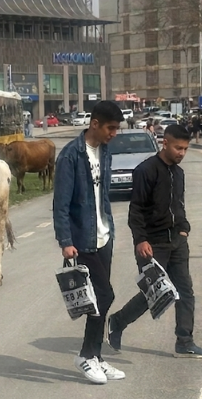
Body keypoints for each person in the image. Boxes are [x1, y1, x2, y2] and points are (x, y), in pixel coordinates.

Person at [108, 124, 202, 359]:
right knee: (154, 294)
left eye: (185, 149)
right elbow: (136, 210)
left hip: (177, 242)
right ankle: (117, 322)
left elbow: (179, 205)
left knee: (185, 291)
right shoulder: (146, 171)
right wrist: (140, 239)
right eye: (178, 148)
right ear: (165, 143)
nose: (181, 153)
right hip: (152, 244)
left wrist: (184, 228)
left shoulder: (179, 173)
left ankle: (185, 341)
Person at [53, 100, 126, 385]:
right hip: (82, 239)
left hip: (104, 235)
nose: (114, 134)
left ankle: (95, 356)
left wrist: (108, 226)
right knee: (104, 295)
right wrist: (65, 240)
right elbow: (61, 203)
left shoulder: (104, 151)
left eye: (117, 128)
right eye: (111, 128)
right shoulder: (71, 155)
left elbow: (102, 195)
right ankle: (85, 355)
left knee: (98, 299)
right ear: (94, 123)